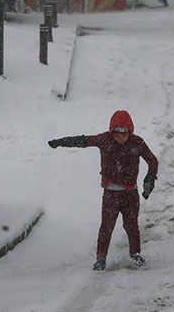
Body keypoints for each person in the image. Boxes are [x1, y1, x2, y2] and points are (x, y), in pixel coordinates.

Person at [48, 110, 158, 270]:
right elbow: (84, 140)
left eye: (124, 133)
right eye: (117, 133)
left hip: (130, 194)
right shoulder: (104, 140)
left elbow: (152, 161)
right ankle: (101, 258)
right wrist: (61, 142)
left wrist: (150, 178)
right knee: (106, 226)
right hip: (110, 193)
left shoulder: (137, 143)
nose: (120, 137)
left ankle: (135, 254)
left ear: (130, 131)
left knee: (131, 225)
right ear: (111, 132)